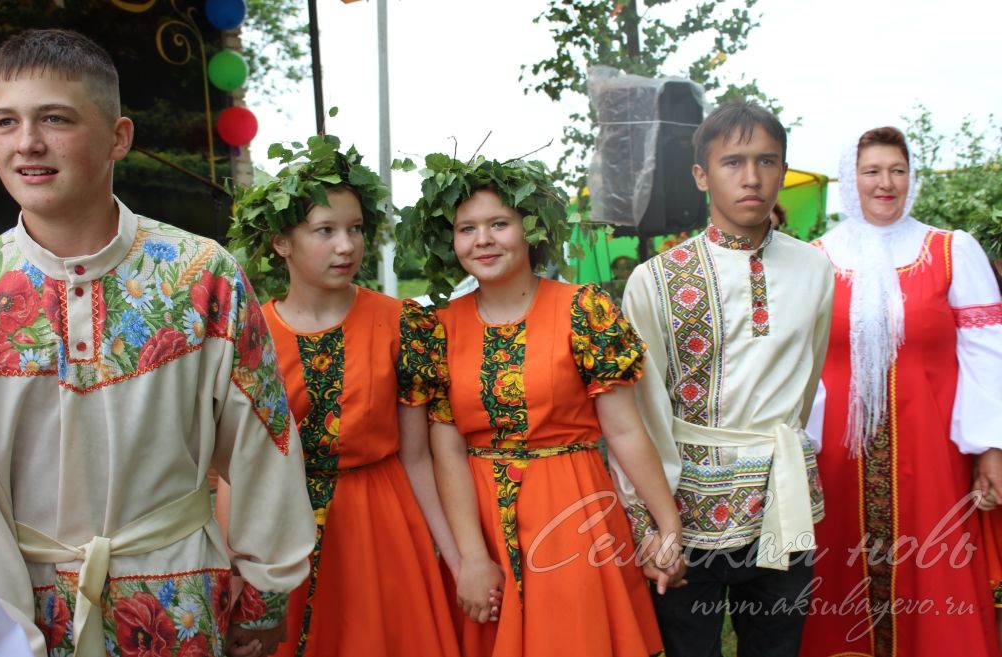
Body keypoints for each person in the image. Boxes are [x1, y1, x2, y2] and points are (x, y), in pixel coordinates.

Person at [0, 29, 315, 657]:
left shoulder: (201, 277)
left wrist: (265, 594)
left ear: (118, 137)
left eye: (56, 118)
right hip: (16, 618)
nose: (27, 143)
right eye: (7, 121)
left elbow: (263, 442)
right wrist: (7, 638)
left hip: (180, 614)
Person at [398, 155, 684, 657]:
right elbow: (447, 452)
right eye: (467, 228)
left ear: (529, 230)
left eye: (498, 224)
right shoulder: (438, 329)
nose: (482, 240)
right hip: (481, 519)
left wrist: (668, 525)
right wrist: (470, 558)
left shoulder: (584, 310)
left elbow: (623, 431)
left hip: (573, 513)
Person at [222, 135, 462, 657]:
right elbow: (231, 473)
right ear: (281, 241)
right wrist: (235, 576)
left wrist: (458, 558)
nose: (347, 246)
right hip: (279, 531)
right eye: (325, 231)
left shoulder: (403, 324)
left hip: (383, 526)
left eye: (355, 229)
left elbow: (418, 457)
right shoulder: (249, 335)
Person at [614, 102, 834, 657]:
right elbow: (638, 411)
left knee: (777, 646)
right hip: (685, 508)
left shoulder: (815, 270)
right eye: (732, 162)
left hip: (783, 497)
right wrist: (650, 523)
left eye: (767, 161)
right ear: (701, 175)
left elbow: (805, 383)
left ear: (783, 170)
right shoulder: (656, 280)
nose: (752, 177)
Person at [799, 126, 1002, 657]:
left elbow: (986, 357)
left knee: (939, 572)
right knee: (839, 578)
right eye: (872, 171)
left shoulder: (952, 251)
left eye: (897, 170)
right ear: (852, 179)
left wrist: (989, 447)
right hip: (839, 461)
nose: (885, 183)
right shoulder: (817, 258)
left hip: (935, 456)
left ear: (911, 177)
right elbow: (803, 365)